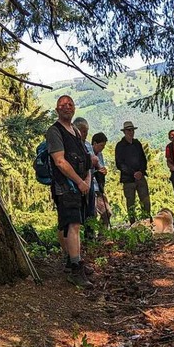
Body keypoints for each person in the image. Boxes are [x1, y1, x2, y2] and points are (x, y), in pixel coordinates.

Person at [47, 96, 93, 288]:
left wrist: (87, 180)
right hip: (66, 186)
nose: (67, 107)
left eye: (70, 104)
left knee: (69, 225)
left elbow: (85, 157)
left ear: (74, 109)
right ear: (57, 109)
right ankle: (76, 268)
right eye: (62, 105)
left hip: (79, 186)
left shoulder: (75, 130)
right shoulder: (54, 131)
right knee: (72, 225)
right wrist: (79, 181)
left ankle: (72, 260)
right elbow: (60, 161)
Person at [115, 121, 152, 224]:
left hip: (140, 177)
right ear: (125, 132)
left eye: (132, 130)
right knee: (131, 203)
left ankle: (147, 222)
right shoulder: (120, 146)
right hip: (128, 179)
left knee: (145, 201)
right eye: (129, 130)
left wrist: (141, 171)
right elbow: (119, 164)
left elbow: (143, 159)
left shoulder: (137, 143)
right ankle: (133, 224)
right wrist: (133, 173)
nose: (131, 132)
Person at [73, 117, 98, 239]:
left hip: (90, 181)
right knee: (78, 210)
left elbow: (93, 162)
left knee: (91, 209)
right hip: (77, 182)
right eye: (83, 132)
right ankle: (78, 237)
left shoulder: (87, 145)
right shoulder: (71, 145)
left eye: (86, 132)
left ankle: (90, 234)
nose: (85, 135)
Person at [91, 132, 112, 230]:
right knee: (93, 213)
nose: (102, 148)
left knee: (107, 212)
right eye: (101, 145)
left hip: (99, 186)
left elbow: (102, 167)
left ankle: (102, 235)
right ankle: (91, 237)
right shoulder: (88, 153)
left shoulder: (100, 155)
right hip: (91, 187)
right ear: (94, 143)